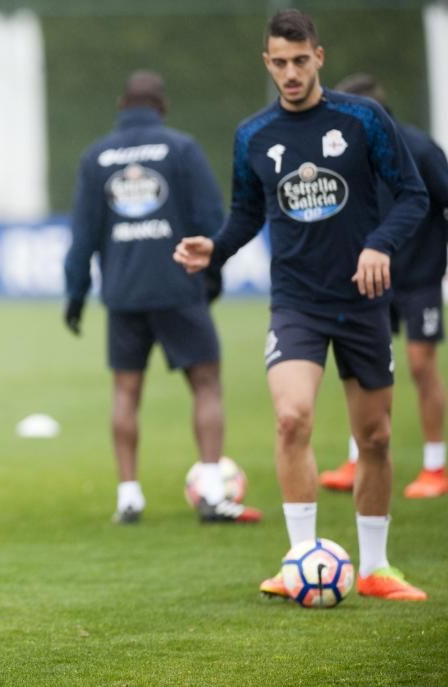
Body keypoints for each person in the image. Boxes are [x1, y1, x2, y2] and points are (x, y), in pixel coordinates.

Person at [174, 10, 429, 601]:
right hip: (296, 303)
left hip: (363, 302)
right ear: (268, 63)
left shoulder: (364, 119)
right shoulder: (253, 136)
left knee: (377, 438)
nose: (290, 73)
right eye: (279, 63)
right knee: (292, 419)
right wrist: (213, 247)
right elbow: (245, 217)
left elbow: (412, 197)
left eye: (300, 60)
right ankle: (299, 561)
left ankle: (374, 568)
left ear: (319, 55)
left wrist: (378, 245)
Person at [64, 70, 262, 525]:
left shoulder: (97, 156)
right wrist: (210, 278)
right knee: (206, 384)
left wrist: (75, 295)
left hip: (124, 293)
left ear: (121, 105)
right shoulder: (182, 148)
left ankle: (129, 496)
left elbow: (83, 236)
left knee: (126, 392)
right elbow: (213, 218)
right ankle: (213, 490)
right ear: (162, 106)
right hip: (179, 287)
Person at [319, 73, 448, 499]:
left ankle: (435, 466)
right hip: (369, 277)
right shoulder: (344, 153)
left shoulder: (419, 147)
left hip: (418, 277)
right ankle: (358, 456)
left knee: (419, 364)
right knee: (364, 369)